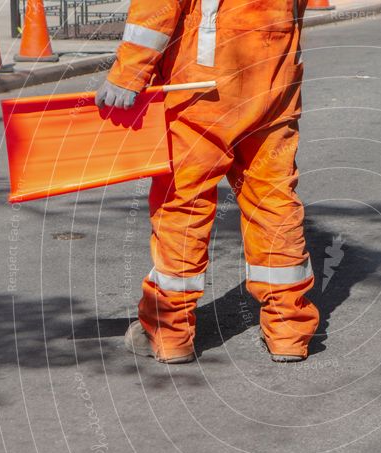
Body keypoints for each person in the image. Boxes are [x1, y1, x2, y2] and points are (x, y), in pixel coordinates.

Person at [95, 0, 319, 364]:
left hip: (203, 84)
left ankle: (170, 332)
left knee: (183, 203)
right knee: (274, 201)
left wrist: (128, 74)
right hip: (275, 79)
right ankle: (288, 331)